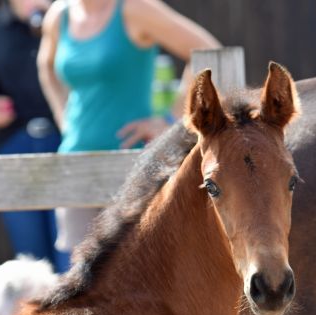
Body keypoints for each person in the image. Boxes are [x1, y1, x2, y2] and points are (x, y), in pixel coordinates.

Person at [37, 0, 220, 254]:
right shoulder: (60, 15)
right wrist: (62, 114)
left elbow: (209, 51)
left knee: (138, 266)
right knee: (77, 274)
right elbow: (46, 64)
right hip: (74, 161)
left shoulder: (134, 8)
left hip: (133, 161)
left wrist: (171, 120)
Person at [0, 0, 68, 272]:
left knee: (71, 252)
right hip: (16, 144)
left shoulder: (71, 20)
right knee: (31, 258)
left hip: (67, 143)